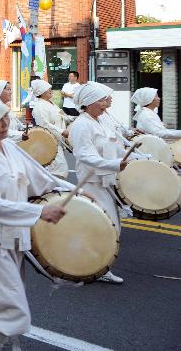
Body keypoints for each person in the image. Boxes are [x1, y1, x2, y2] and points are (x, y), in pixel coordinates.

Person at [0, 94, 74, 351]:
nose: (4, 123)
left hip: (14, 237)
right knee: (8, 311)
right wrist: (39, 213)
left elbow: (43, 179)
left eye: (4, 117)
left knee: (4, 307)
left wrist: (74, 192)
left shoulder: (9, 147)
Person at [69, 81, 139, 284]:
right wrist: (115, 164)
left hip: (105, 180)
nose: (106, 104)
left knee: (106, 226)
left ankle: (95, 266)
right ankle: (90, 267)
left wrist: (133, 158)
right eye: (101, 100)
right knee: (104, 226)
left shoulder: (98, 121)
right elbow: (84, 155)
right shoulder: (81, 125)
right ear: (89, 102)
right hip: (91, 182)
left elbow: (112, 146)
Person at [30, 79, 73, 179]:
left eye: (50, 88)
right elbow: (45, 125)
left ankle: (55, 189)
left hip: (58, 140)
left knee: (59, 169)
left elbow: (61, 114)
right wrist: (62, 131)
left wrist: (72, 118)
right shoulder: (40, 106)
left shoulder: (51, 103)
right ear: (41, 92)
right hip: (49, 142)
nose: (51, 90)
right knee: (58, 169)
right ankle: (52, 191)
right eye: (48, 89)